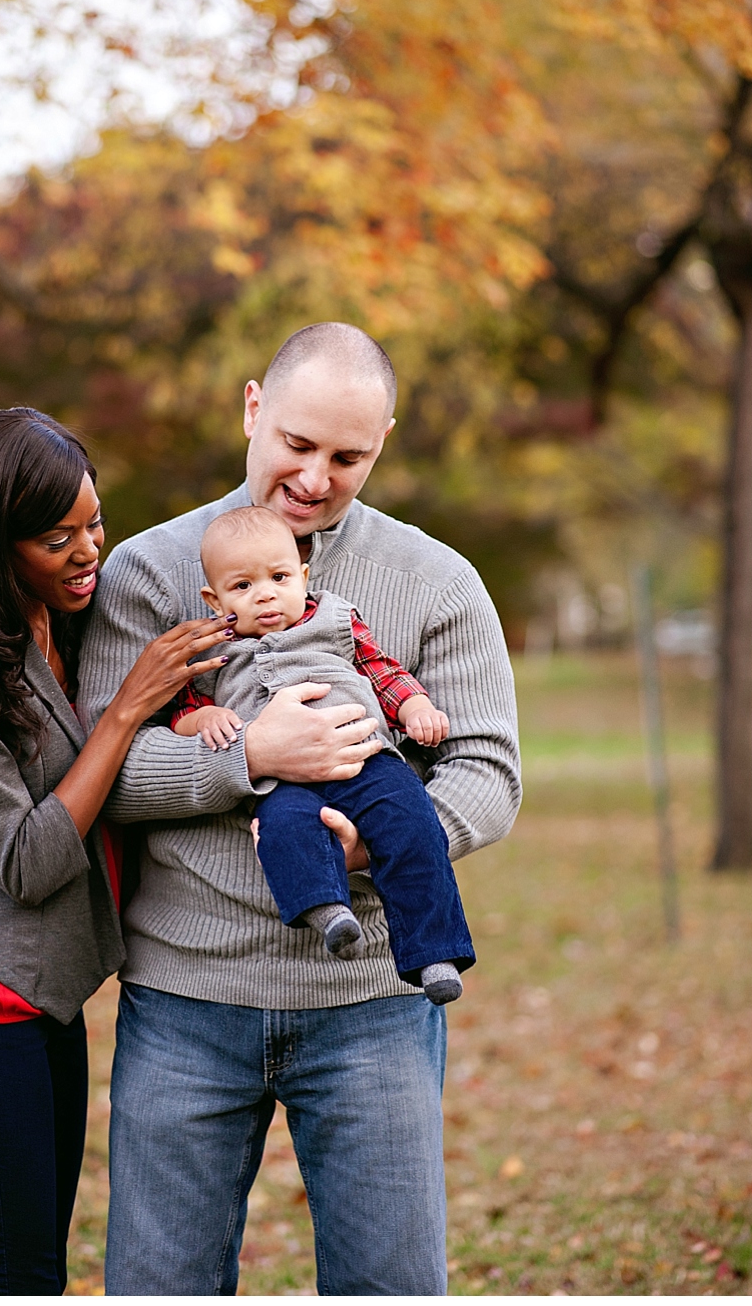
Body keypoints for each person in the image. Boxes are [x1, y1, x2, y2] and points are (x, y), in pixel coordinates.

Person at [80, 323, 522, 1296]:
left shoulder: (436, 581)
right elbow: (96, 776)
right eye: (294, 442)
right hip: (187, 1002)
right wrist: (248, 761)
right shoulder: (150, 575)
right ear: (251, 410)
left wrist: (389, 839)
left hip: (373, 1004)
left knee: (390, 1286)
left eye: (347, 455)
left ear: (383, 443)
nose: (315, 476)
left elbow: (488, 768)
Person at [0, 407, 233, 1296]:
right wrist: (127, 710)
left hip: (44, 988)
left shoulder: (70, 622)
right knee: (14, 1277)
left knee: (42, 1262)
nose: (90, 552)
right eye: (58, 537)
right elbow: (26, 861)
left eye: (95, 523)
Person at [172, 503, 475, 1004]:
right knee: (282, 828)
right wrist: (204, 719)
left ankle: (434, 952)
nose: (266, 594)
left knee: (413, 821)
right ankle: (327, 910)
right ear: (214, 597)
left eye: (279, 576)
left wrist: (415, 706)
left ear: (303, 575)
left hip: (366, 758)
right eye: (243, 587)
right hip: (282, 780)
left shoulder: (335, 618)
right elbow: (184, 711)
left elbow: (382, 671)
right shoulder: (211, 651)